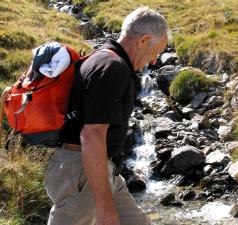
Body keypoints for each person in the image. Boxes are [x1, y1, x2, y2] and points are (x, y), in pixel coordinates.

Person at [45, 6, 170, 225]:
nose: (154, 61)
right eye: (156, 52)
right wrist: (104, 205)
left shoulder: (102, 58)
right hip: (83, 173)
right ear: (143, 40)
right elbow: (92, 135)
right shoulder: (112, 69)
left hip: (98, 170)